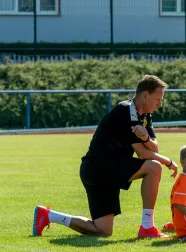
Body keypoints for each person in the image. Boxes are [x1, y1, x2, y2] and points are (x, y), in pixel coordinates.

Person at [33, 75, 176, 238]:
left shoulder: (145, 115)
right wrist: (169, 161)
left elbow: (154, 147)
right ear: (145, 95)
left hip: (102, 170)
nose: (160, 104)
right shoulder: (126, 110)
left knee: (103, 230)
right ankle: (147, 227)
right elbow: (143, 154)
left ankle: (48, 215)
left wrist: (145, 138)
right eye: (158, 99)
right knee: (154, 166)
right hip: (99, 168)